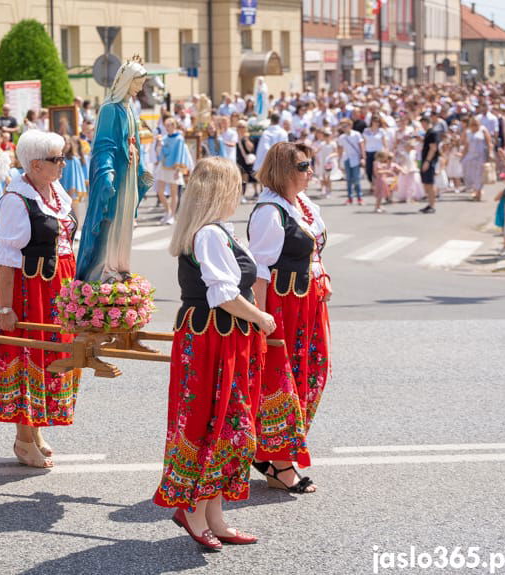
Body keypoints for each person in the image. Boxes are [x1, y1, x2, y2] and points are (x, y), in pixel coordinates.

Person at [153, 157, 274, 551]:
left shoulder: (219, 231)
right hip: (211, 339)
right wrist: (261, 316)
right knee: (213, 420)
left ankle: (214, 514)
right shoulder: (208, 235)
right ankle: (193, 510)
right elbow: (222, 294)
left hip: (223, 338)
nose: (240, 191)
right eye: (236, 184)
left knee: (228, 423)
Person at [0, 130, 80, 469]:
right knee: (31, 357)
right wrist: (5, 307)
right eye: (58, 159)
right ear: (36, 164)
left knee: (51, 358)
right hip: (30, 290)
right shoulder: (17, 199)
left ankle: (36, 428)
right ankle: (23, 439)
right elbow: (7, 258)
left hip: (58, 285)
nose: (64, 164)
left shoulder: (53, 189)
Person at [248, 142, 331, 494]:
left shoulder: (302, 204)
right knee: (285, 379)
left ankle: (279, 454)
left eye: (310, 164)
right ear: (284, 170)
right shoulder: (270, 210)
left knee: (313, 373)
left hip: (310, 303)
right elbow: (259, 271)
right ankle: (279, 462)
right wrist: (261, 320)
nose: (310, 171)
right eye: (303, 166)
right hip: (285, 307)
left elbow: (312, 249)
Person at [75, 55, 153, 282]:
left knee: (124, 222)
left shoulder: (128, 109)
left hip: (128, 173)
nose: (140, 88)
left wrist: (141, 167)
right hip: (117, 174)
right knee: (111, 220)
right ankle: (104, 269)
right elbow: (104, 146)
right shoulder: (110, 109)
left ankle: (120, 265)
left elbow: (134, 141)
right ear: (127, 81)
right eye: (137, 83)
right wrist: (106, 172)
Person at [154, 118, 189, 225]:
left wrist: (178, 168)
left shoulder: (179, 139)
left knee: (174, 193)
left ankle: (172, 215)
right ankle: (168, 211)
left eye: (169, 125)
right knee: (160, 191)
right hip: (164, 166)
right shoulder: (164, 138)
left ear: (174, 126)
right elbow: (160, 153)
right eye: (166, 125)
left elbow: (180, 153)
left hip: (174, 167)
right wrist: (159, 145)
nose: (167, 127)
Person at [460, 116, 492, 203]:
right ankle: (475, 190)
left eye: (476, 124)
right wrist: (463, 156)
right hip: (470, 156)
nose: (475, 125)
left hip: (481, 156)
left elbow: (489, 142)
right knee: (470, 174)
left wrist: (490, 155)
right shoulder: (468, 132)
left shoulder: (483, 130)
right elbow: (466, 145)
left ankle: (478, 193)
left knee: (479, 175)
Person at [337, 118, 365, 205]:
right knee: (348, 179)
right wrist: (339, 161)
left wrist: (363, 158)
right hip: (347, 159)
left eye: (345, 126)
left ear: (350, 125)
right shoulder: (341, 137)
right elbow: (340, 150)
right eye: (342, 126)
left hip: (356, 158)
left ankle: (360, 198)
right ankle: (350, 198)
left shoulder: (356, 134)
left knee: (356, 179)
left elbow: (361, 146)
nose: (344, 128)